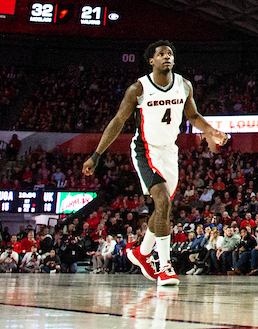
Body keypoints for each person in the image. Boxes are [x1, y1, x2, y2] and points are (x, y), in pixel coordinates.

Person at [83, 41, 228, 287]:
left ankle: (141, 252)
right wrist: (96, 154)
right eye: (161, 54)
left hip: (169, 151)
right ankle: (165, 266)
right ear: (151, 61)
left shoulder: (184, 85)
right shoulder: (139, 88)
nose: (167, 57)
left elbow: (192, 116)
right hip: (145, 150)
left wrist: (212, 131)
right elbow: (118, 120)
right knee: (161, 201)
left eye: (170, 53)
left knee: (164, 208)